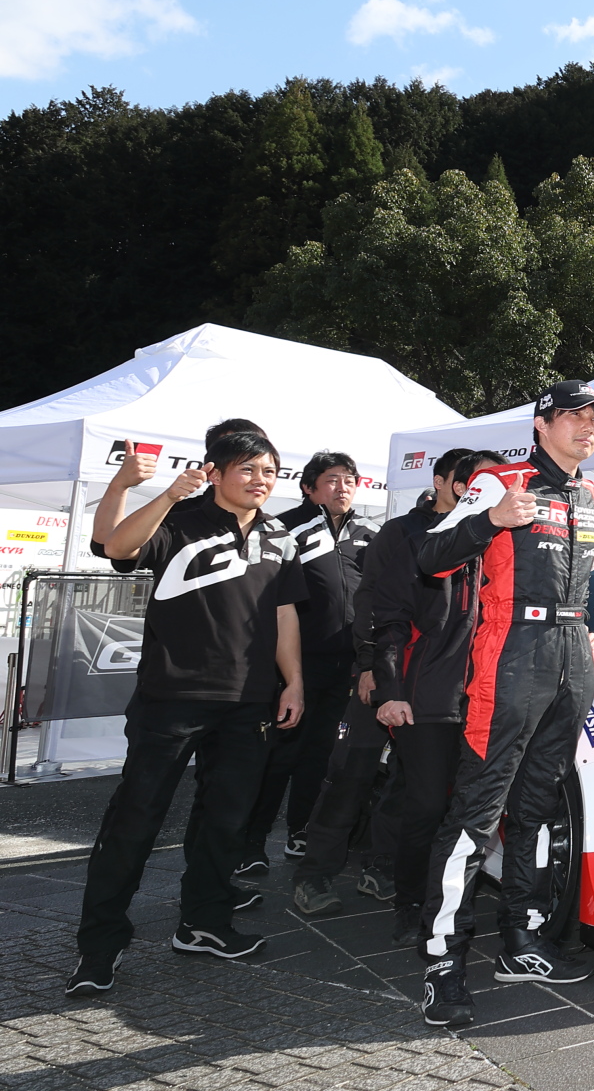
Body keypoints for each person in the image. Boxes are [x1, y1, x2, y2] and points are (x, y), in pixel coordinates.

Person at [67, 432, 307, 997]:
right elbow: (115, 545)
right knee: (135, 820)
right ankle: (100, 945)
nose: (260, 480)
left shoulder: (279, 536)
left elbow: (285, 614)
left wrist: (294, 681)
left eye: (269, 471)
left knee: (226, 821)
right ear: (215, 472)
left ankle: (204, 923)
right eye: (247, 469)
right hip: (171, 698)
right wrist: (160, 491)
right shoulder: (178, 518)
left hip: (249, 702)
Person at [413, 381, 594, 1026]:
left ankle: (522, 940)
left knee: (538, 809)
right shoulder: (500, 482)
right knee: (477, 812)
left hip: (572, 653)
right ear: (541, 423)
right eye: (575, 416)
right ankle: (442, 961)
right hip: (511, 654)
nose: (588, 427)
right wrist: (489, 521)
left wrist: (582, 637)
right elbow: (431, 556)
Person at [288, 448, 478, 918]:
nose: (481, 487)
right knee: (351, 772)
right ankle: (314, 874)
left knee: (409, 782)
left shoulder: (484, 534)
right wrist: (370, 664)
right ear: (443, 482)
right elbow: (372, 599)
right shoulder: (402, 531)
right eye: (472, 478)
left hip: (437, 688)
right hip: (384, 672)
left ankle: (383, 865)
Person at [369, 448, 501, 947]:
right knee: (425, 807)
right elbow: (389, 619)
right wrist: (389, 691)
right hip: (427, 699)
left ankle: (451, 904)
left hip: (490, 700)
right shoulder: (418, 541)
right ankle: (410, 905)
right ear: (460, 487)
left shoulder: (508, 544)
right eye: (485, 481)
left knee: (472, 813)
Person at [241, 452, 377, 870]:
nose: (343, 487)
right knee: (277, 755)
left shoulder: (370, 532)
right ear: (309, 486)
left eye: (349, 480)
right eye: (333, 479)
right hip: (292, 665)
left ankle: (301, 831)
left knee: (322, 754)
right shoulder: (283, 528)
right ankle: (250, 845)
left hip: (347, 665)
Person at [89, 418, 268, 559]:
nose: (258, 478)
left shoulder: (275, 527)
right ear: (212, 464)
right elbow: (109, 546)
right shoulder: (178, 513)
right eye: (230, 450)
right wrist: (119, 485)